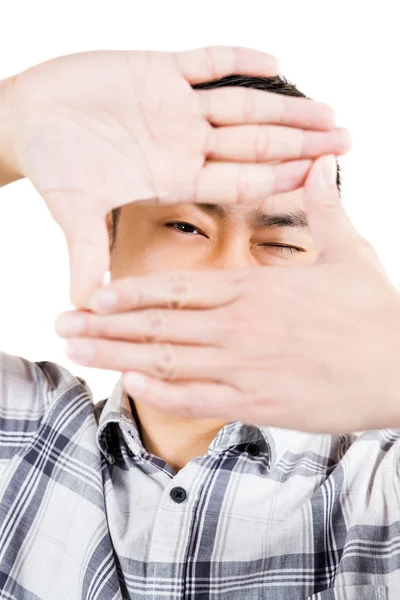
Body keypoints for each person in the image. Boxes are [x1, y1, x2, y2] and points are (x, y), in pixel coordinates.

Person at [0, 47, 399, 600]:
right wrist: (11, 120)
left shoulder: (379, 484)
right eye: (186, 227)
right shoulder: (23, 432)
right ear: (109, 234)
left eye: (280, 242)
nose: (231, 273)